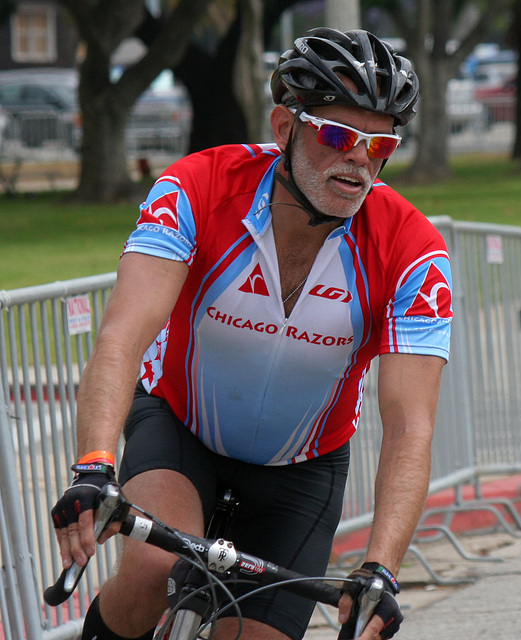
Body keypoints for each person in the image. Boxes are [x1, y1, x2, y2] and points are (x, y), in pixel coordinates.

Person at [51, 27, 453, 640]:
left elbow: (409, 424)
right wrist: (94, 467)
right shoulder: (197, 187)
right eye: (340, 136)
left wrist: (381, 570)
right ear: (286, 128)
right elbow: (122, 338)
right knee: (154, 565)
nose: (359, 161)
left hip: (302, 471)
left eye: (380, 146)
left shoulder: (412, 249)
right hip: (181, 427)